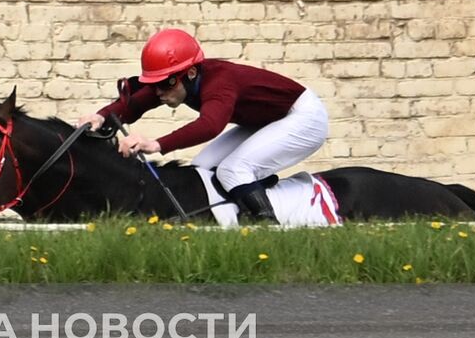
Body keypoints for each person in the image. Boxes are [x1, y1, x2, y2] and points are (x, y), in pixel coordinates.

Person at [81, 28, 330, 220]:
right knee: (202, 168)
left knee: (232, 170)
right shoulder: (180, 81)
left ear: (190, 74)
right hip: (267, 118)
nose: (158, 91)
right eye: (153, 83)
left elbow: (211, 125)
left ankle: (267, 229)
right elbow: (136, 104)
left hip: (302, 116)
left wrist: (156, 144)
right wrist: (101, 115)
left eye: (165, 83)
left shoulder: (220, 83)